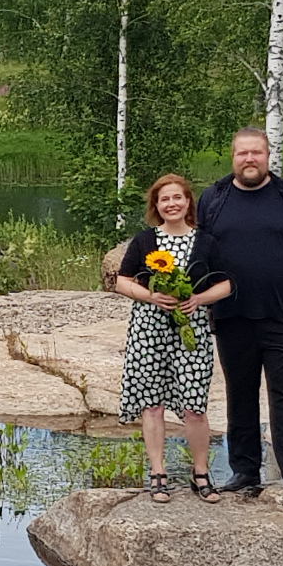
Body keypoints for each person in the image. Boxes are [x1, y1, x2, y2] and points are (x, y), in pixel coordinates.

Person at [197, 127, 283, 499]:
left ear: (267, 156)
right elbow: (198, 252)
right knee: (240, 395)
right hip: (231, 316)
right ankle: (244, 470)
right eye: (242, 154)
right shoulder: (214, 198)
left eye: (256, 153)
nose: (249, 159)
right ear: (233, 157)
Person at [114, 174, 231, 503]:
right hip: (149, 330)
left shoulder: (205, 242)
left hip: (190, 332)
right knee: (152, 405)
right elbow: (122, 281)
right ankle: (157, 473)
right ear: (156, 206)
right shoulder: (144, 241)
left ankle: (200, 472)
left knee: (195, 406)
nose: (172, 204)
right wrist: (150, 296)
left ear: (188, 202)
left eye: (177, 198)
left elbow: (226, 284)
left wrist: (198, 299)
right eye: (164, 200)